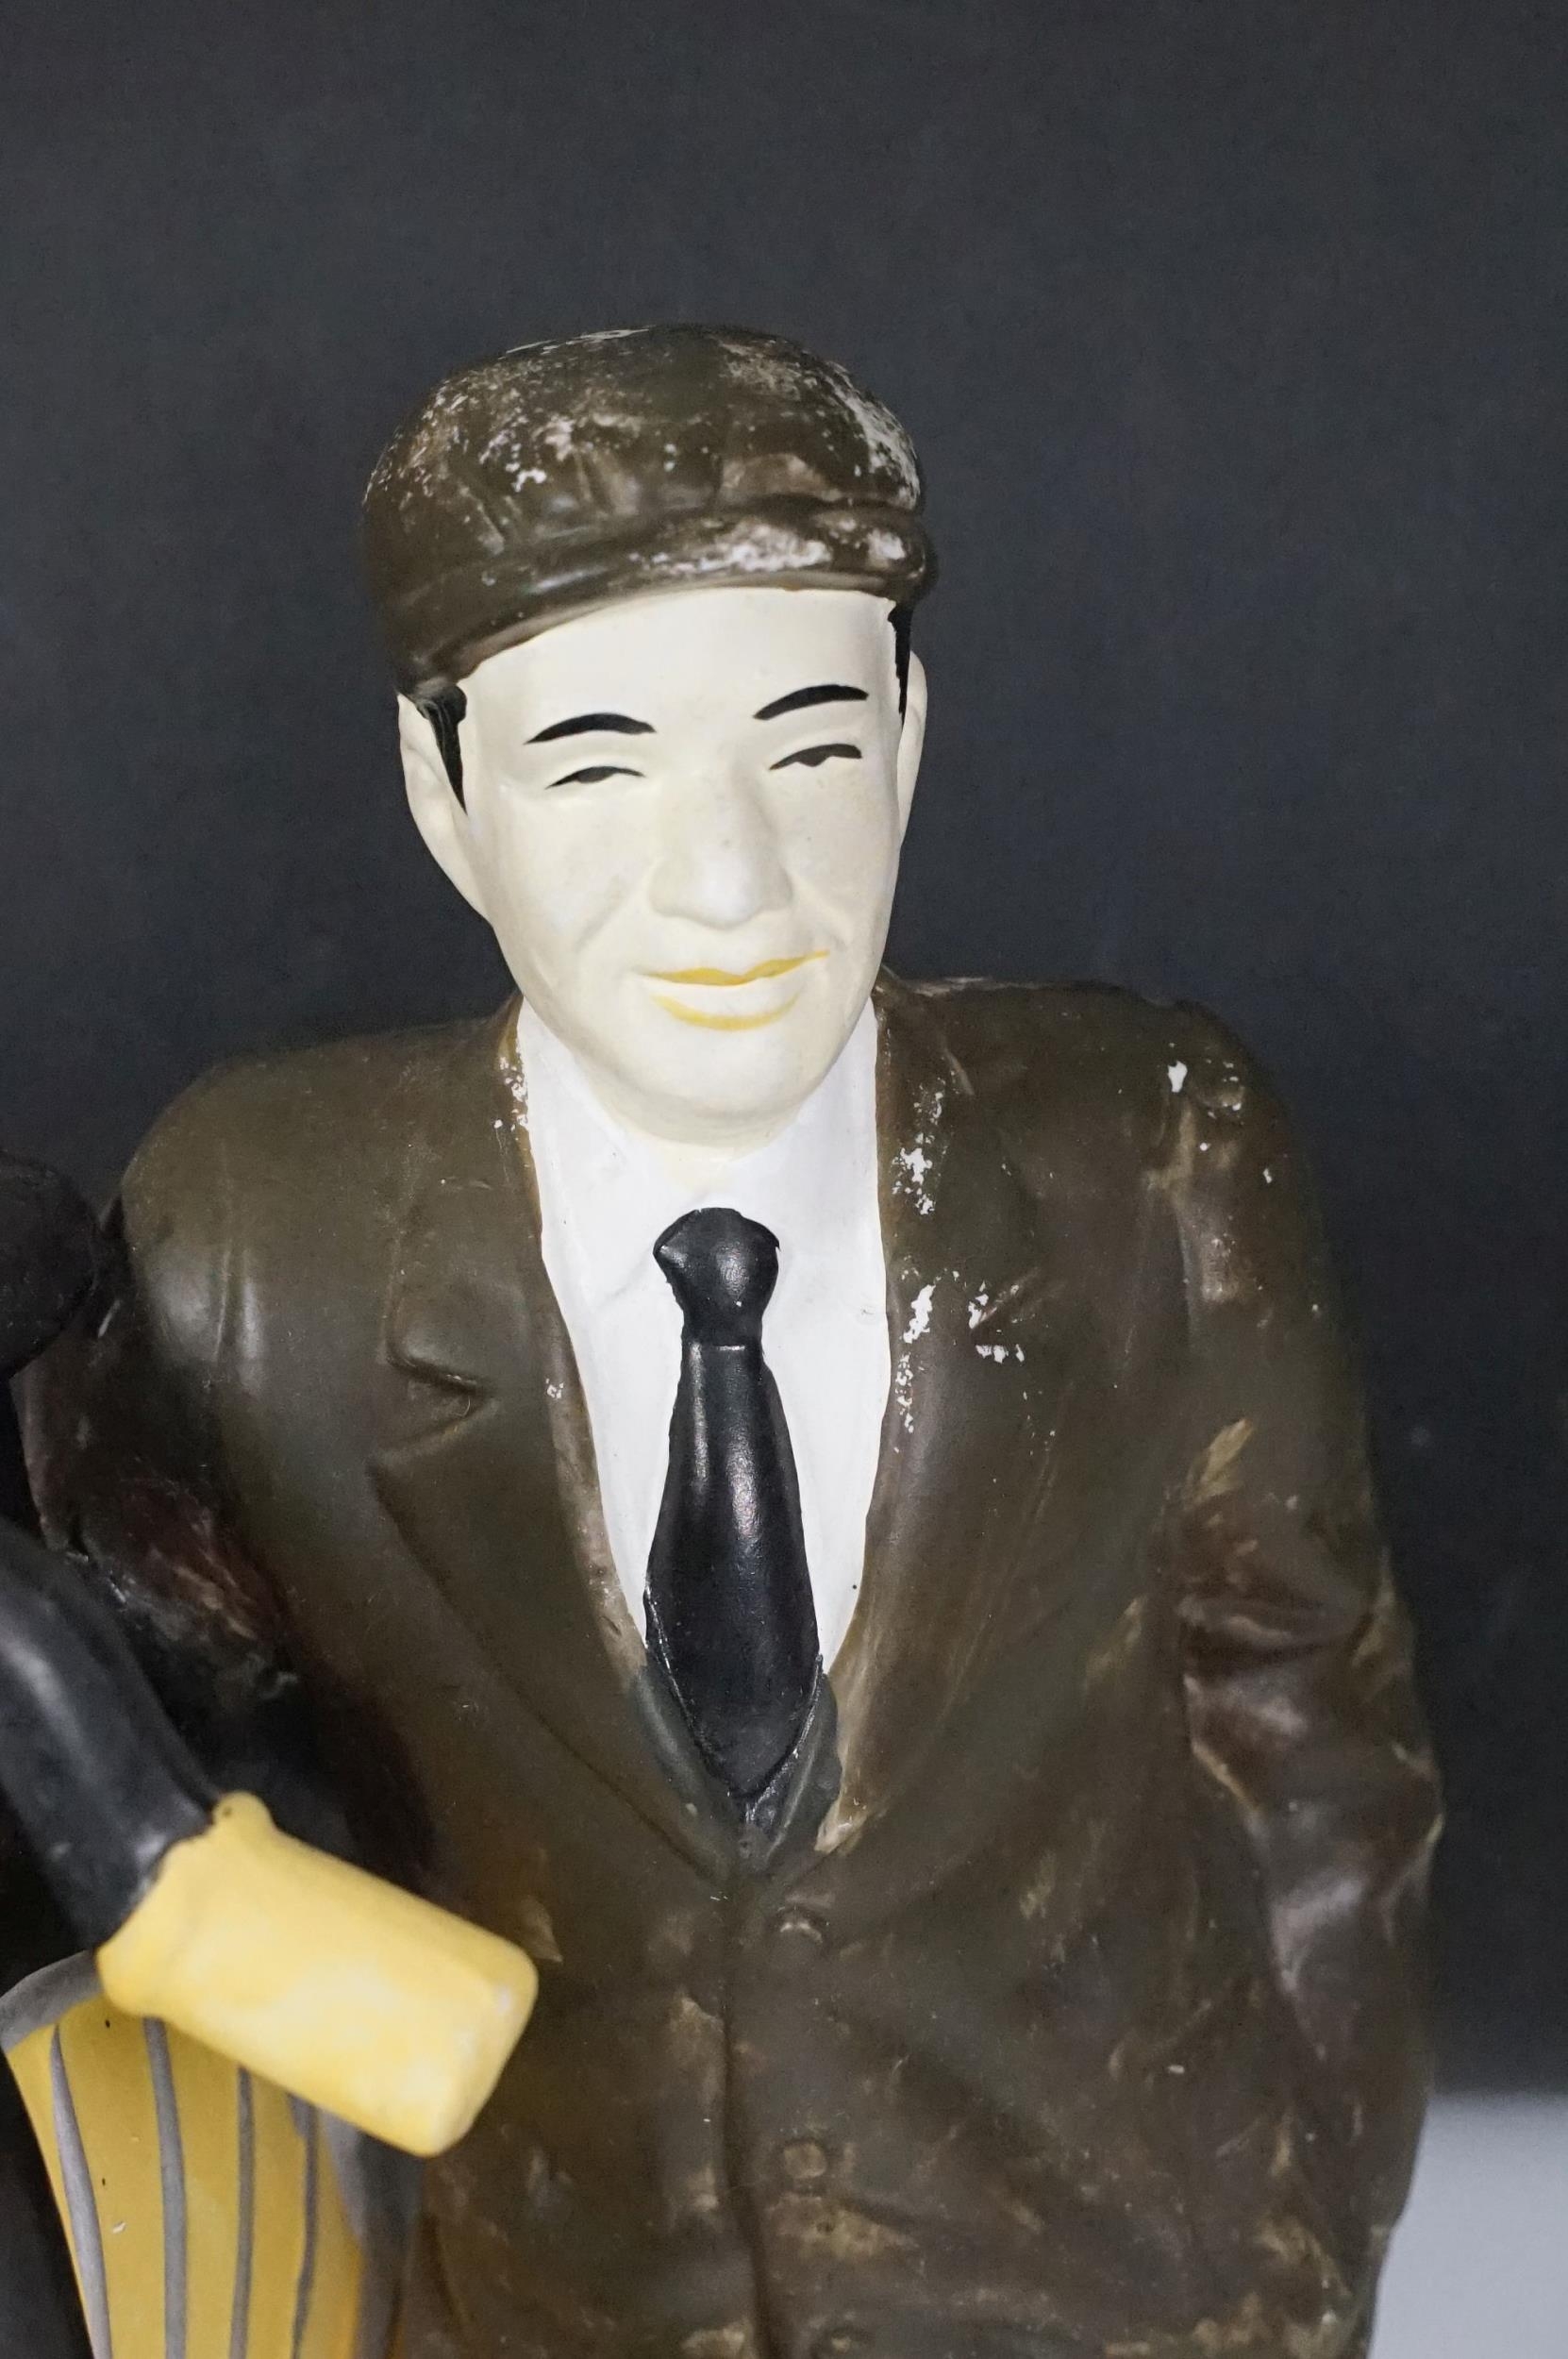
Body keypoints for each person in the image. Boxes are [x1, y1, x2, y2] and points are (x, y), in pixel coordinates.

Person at [22, 326, 1440, 2358]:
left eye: (811, 746)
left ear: (912, 736)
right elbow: (177, 1746)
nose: (727, 878)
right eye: (599, 762)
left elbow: (1311, 1746)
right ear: (443, 793)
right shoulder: (256, 1238)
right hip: (541, 2293)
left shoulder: (1154, 1167)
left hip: (1116, 2281)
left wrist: (1310, 2240)